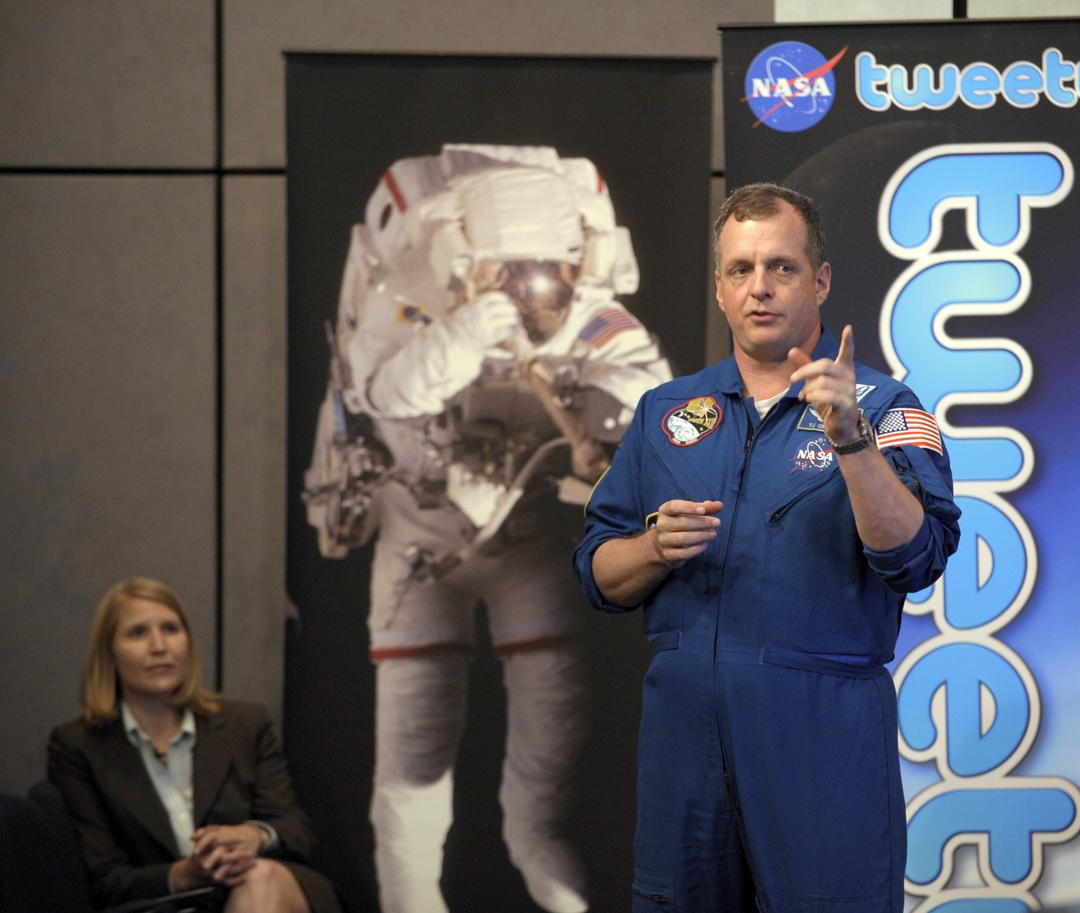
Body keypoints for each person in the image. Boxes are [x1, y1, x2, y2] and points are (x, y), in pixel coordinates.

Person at [572, 183, 962, 912]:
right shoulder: (666, 412)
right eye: (740, 269)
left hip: (821, 730)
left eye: (781, 268)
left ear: (820, 281)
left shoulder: (885, 408)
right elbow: (596, 572)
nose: (760, 288)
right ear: (719, 289)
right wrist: (654, 548)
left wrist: (850, 440)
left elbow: (917, 556)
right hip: (685, 738)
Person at [303, 145, 672, 913]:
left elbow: (647, 385)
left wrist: (608, 408)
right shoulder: (409, 299)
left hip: (524, 539)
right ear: (463, 260)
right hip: (420, 541)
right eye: (510, 269)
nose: (531, 285)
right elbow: (388, 391)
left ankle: (540, 845)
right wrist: (467, 331)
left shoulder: (585, 310)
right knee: (414, 753)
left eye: (548, 270)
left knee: (553, 718)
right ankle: (410, 898)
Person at [47, 577, 342, 913]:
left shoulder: (245, 724)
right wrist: (184, 874)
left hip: (270, 890)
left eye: (171, 629)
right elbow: (103, 880)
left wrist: (253, 837)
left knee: (257, 879)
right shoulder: (77, 747)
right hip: (164, 906)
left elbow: (295, 831)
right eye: (138, 633)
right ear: (109, 652)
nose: (159, 646)